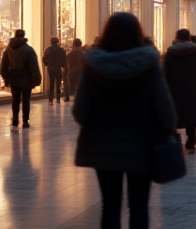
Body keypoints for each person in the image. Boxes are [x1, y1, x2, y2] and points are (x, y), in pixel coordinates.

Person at [74, 13, 176, 229]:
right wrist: (169, 130)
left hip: (103, 146)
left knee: (109, 206)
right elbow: (164, 107)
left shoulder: (92, 65)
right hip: (143, 144)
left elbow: (80, 111)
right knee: (139, 205)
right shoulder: (149, 64)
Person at [164, 29, 196, 152]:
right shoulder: (195, 51)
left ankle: (174, 141)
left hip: (174, 89)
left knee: (175, 114)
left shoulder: (170, 53)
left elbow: (165, 71)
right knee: (191, 116)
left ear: (177, 38)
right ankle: (191, 141)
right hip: (191, 89)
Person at [0, 29, 42, 128]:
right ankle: (25, 120)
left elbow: (3, 66)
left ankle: (15, 119)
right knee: (26, 100)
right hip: (26, 77)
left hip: (14, 77)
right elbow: (34, 66)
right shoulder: (29, 50)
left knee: (15, 99)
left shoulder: (8, 49)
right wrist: (36, 79)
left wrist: (6, 77)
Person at [43, 37, 67, 104]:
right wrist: (63, 65)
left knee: (51, 83)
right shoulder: (61, 50)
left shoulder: (48, 49)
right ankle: (58, 98)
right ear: (57, 42)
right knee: (58, 83)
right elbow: (64, 60)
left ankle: (50, 98)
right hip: (58, 67)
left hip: (50, 67)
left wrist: (47, 64)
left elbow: (44, 59)